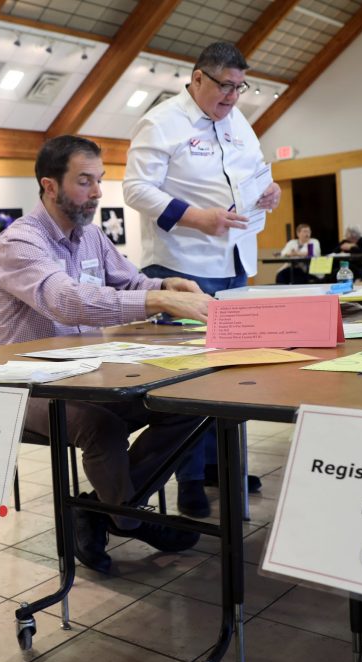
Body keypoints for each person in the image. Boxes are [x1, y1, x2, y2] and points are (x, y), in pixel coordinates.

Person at [0, 135, 213, 573]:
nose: (96, 193)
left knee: (189, 407)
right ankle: (126, 517)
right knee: (101, 427)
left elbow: (129, 283)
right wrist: (160, 303)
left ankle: (102, 508)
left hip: (91, 375)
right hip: (28, 385)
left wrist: (165, 286)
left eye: (100, 181)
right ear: (49, 186)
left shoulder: (91, 236)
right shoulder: (19, 243)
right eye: (85, 181)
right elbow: (67, 301)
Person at [122, 41, 281, 514]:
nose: (233, 96)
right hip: (181, 267)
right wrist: (196, 217)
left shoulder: (239, 123)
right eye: (225, 86)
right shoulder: (161, 121)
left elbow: (255, 172)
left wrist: (268, 192)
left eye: (240, 87)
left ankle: (219, 464)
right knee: (190, 380)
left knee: (234, 373)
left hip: (234, 262)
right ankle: (188, 478)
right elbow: (136, 188)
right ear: (196, 79)